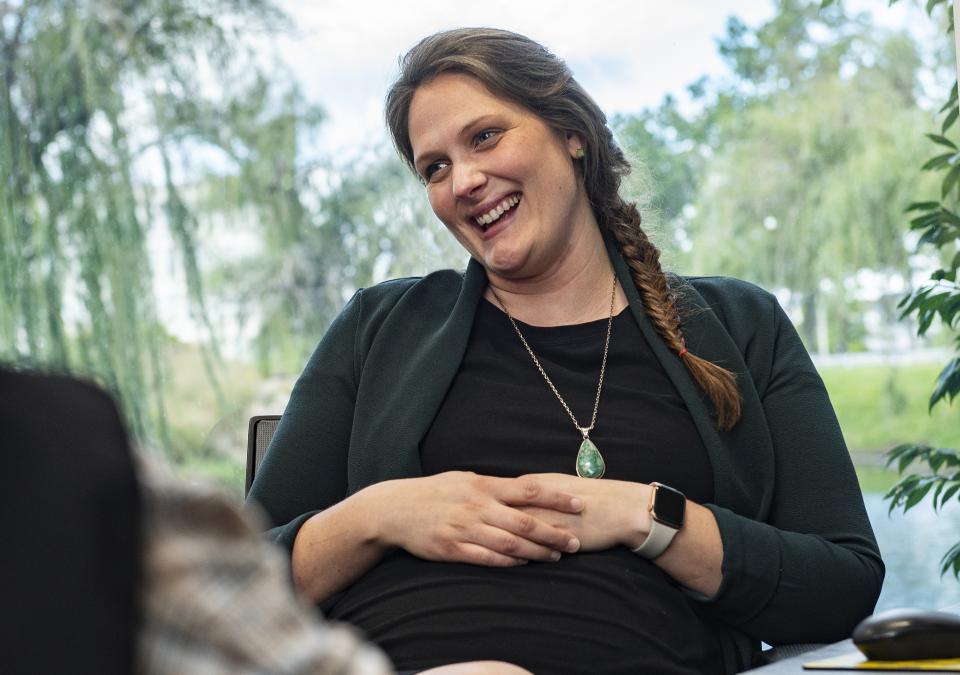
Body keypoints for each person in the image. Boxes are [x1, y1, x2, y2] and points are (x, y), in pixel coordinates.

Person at [247, 27, 884, 675]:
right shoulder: (377, 327)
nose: (463, 180)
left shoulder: (740, 324)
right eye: (433, 167)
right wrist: (378, 514)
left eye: (485, 136)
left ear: (571, 133)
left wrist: (646, 515)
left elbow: (841, 585)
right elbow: (232, 589)